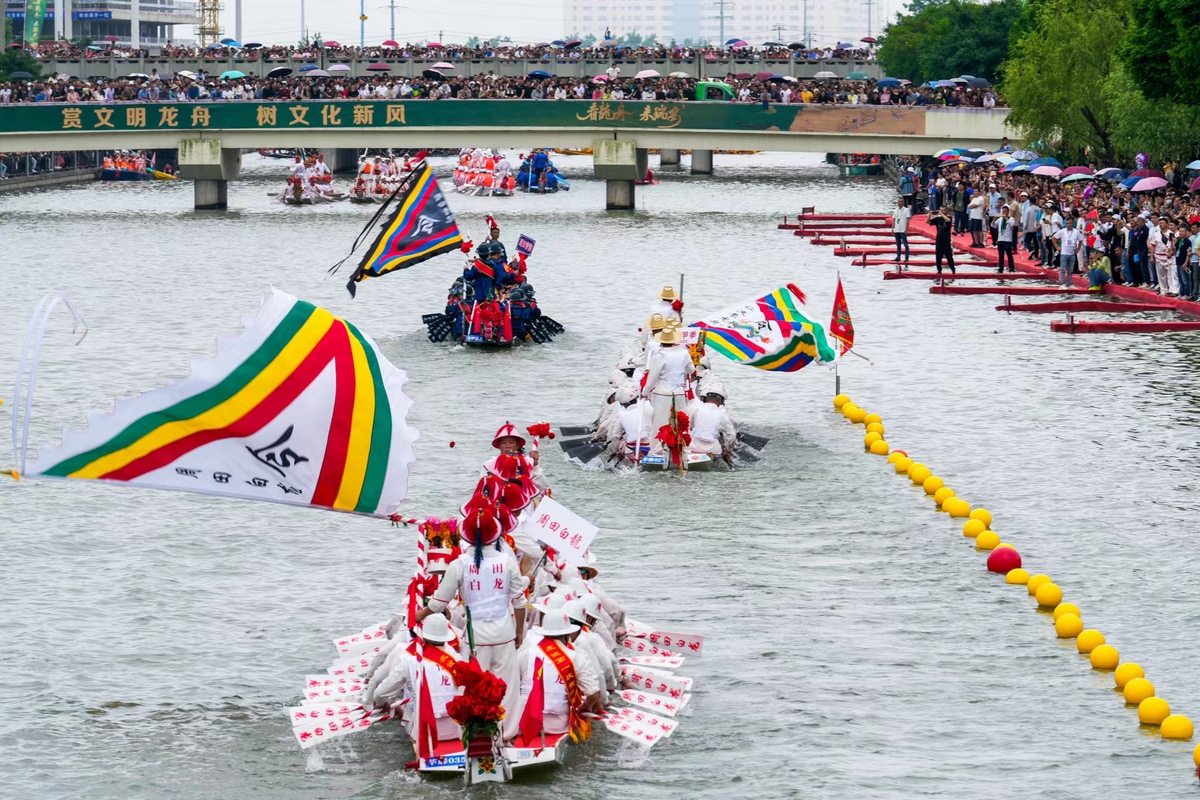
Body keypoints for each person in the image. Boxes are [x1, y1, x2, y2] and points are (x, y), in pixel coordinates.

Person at [415, 475, 529, 740]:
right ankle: (506, 733)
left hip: (475, 636)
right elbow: (520, 602)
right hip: (505, 632)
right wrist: (520, 632)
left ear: (466, 535)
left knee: (474, 688)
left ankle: (474, 733)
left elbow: (438, 603)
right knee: (507, 687)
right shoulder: (506, 560)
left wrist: (416, 617)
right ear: (496, 533)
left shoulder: (459, 564)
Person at [367, 613, 464, 743]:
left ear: (422, 636)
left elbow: (380, 693)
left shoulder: (410, 660)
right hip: (457, 728)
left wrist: (383, 703)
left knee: (408, 709)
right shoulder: (457, 659)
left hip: (425, 730)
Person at [516, 610, 601, 741]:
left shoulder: (525, 653)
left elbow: (513, 684)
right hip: (557, 726)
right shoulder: (576, 656)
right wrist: (584, 707)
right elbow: (594, 694)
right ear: (568, 634)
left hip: (524, 722)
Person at [641, 323, 695, 452]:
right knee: (680, 422)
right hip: (679, 392)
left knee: (660, 422)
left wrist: (645, 392)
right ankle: (682, 448)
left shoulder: (660, 355)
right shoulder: (684, 353)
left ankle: (657, 449)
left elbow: (652, 377)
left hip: (662, 393)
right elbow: (691, 369)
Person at [687, 385, 736, 459]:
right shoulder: (722, 414)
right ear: (721, 401)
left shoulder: (696, 409)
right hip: (713, 450)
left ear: (707, 399)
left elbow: (688, 427)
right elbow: (732, 435)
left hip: (694, 447)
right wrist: (728, 449)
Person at [1052, 222, 1084, 287]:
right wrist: (1057, 247)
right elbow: (1053, 238)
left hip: (1072, 253)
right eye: (1067, 223)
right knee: (1063, 269)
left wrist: (1078, 249)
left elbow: (1080, 240)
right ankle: (1061, 283)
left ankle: (1069, 283)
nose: (1068, 225)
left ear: (1072, 224)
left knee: (1070, 270)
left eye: (1070, 223)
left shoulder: (1076, 231)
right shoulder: (1062, 231)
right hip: (1064, 253)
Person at [927, 206, 956, 274]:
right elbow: (928, 222)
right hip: (939, 240)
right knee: (938, 256)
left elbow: (948, 221)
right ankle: (939, 270)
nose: (941, 211)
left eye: (943, 210)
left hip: (946, 240)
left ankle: (953, 270)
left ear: (946, 211)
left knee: (949, 256)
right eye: (941, 210)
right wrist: (929, 215)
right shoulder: (938, 219)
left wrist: (941, 214)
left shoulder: (949, 217)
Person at [992, 205, 1017, 273]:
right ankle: (1001, 268)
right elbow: (993, 226)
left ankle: (1011, 269)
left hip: (1007, 240)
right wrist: (994, 219)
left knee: (1009, 255)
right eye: (1002, 211)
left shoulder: (1011, 219)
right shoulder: (1000, 220)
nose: (1003, 212)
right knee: (1001, 255)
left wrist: (1006, 218)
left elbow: (1011, 225)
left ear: (1008, 212)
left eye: (1005, 211)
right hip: (1000, 239)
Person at [892, 196, 911, 265]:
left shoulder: (906, 210)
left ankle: (906, 258)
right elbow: (894, 219)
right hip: (897, 229)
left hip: (903, 229)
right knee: (898, 244)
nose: (900, 203)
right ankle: (898, 256)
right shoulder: (895, 210)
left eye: (901, 202)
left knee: (905, 244)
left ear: (903, 203)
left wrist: (906, 229)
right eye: (899, 202)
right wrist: (892, 228)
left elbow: (908, 220)